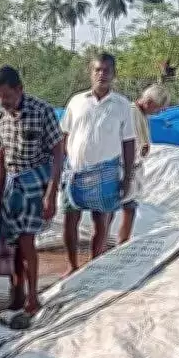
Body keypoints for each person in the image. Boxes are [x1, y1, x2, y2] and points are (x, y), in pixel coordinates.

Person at [0, 65, 64, 318]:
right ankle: (17, 293)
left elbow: (58, 152)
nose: (3, 102)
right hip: (12, 185)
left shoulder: (42, 112)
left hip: (36, 183)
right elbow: (1, 154)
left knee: (27, 241)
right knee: (14, 244)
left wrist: (51, 193)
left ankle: (32, 296)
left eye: (7, 97)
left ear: (19, 89)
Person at [60, 53, 135, 276]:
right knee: (69, 218)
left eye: (106, 70)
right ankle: (72, 265)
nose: (102, 74)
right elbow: (64, 135)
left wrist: (127, 177)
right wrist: (63, 168)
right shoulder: (76, 101)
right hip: (75, 171)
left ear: (114, 74)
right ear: (90, 72)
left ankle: (94, 266)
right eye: (97, 70)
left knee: (101, 221)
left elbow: (128, 142)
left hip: (106, 173)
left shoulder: (122, 105)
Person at [118, 84, 171, 245]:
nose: (159, 112)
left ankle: (123, 242)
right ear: (149, 102)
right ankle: (121, 242)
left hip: (133, 167)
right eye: (158, 108)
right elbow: (128, 143)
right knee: (123, 207)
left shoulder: (140, 115)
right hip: (124, 167)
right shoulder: (131, 113)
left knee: (129, 207)